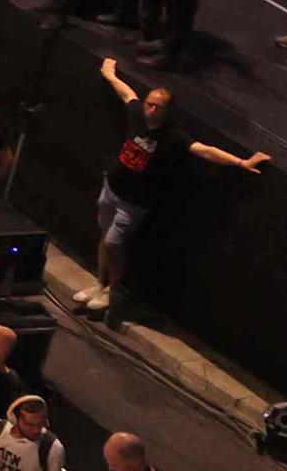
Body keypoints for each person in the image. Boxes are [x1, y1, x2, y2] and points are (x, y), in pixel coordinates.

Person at [88, 54, 274, 313]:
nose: (151, 110)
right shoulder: (137, 115)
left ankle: (113, 291)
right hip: (112, 189)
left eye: (158, 107)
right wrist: (110, 74)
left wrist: (242, 162)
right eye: (150, 104)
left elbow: (206, 151)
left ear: (167, 111)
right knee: (103, 237)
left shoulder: (173, 137)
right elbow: (126, 93)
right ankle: (99, 282)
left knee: (113, 244)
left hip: (133, 203)